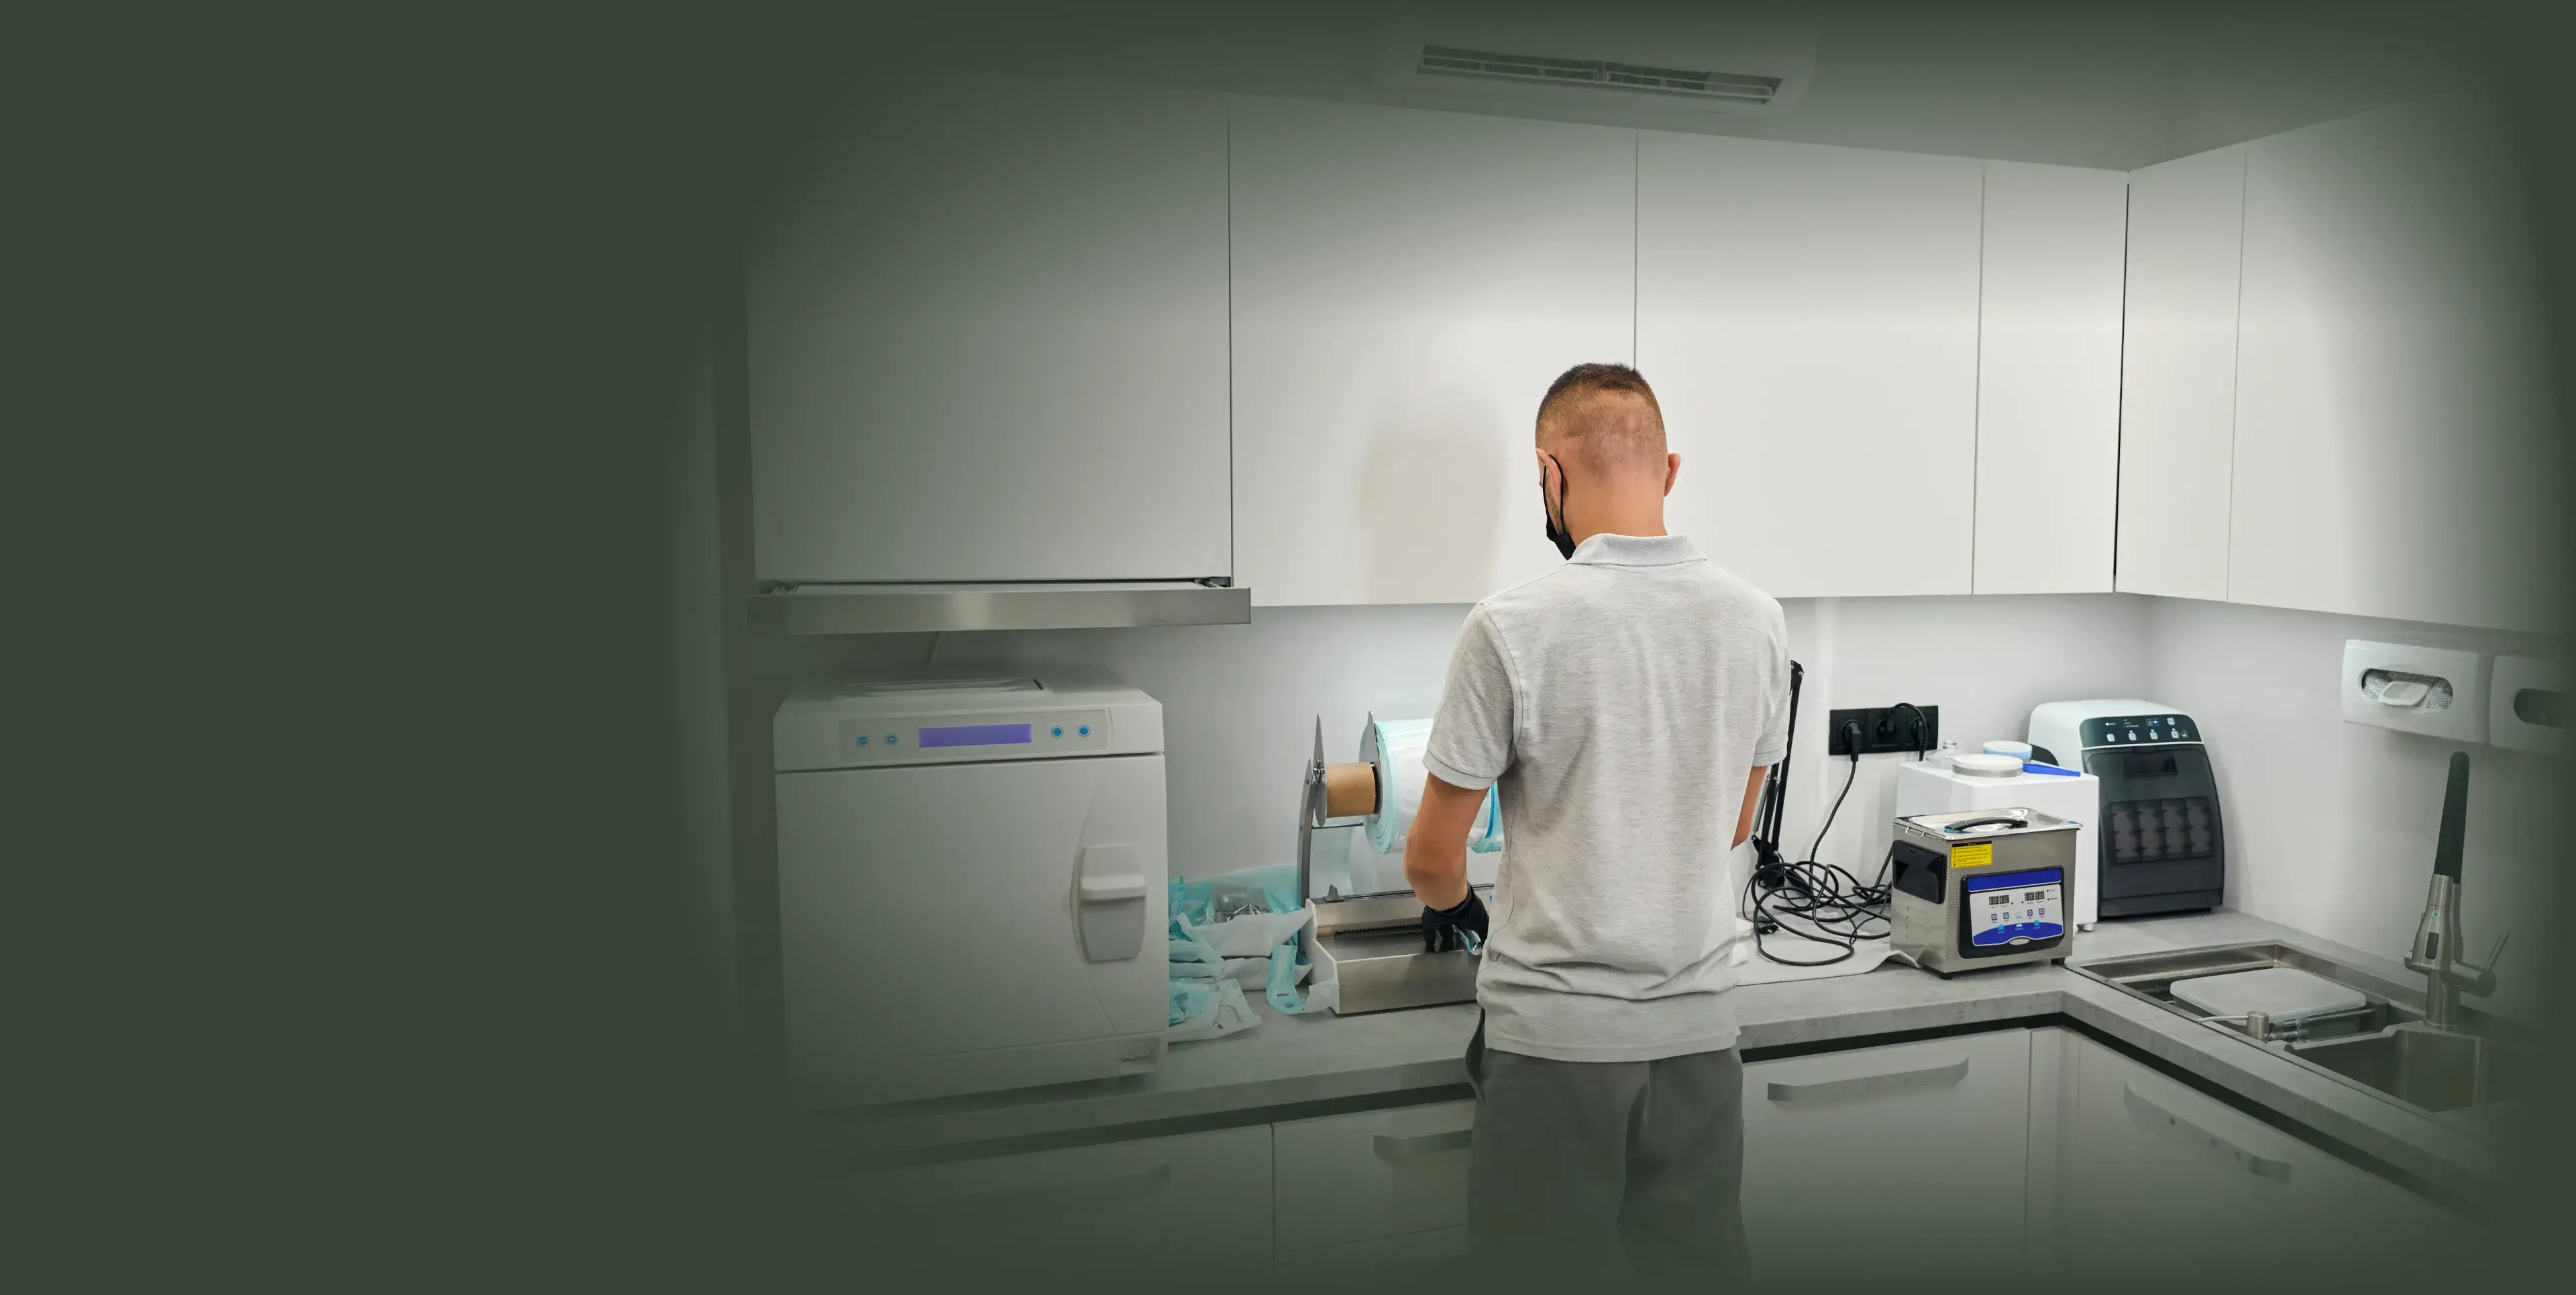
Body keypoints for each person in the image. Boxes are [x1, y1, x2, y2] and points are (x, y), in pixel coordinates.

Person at [1401, 362, 1790, 1283]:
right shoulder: (1758, 621)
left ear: (1550, 473)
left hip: (1552, 1052)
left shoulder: (1509, 627)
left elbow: (1430, 862)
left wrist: (1469, 915)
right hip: (1700, 1046)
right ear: (1670, 470)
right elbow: (1734, 823)